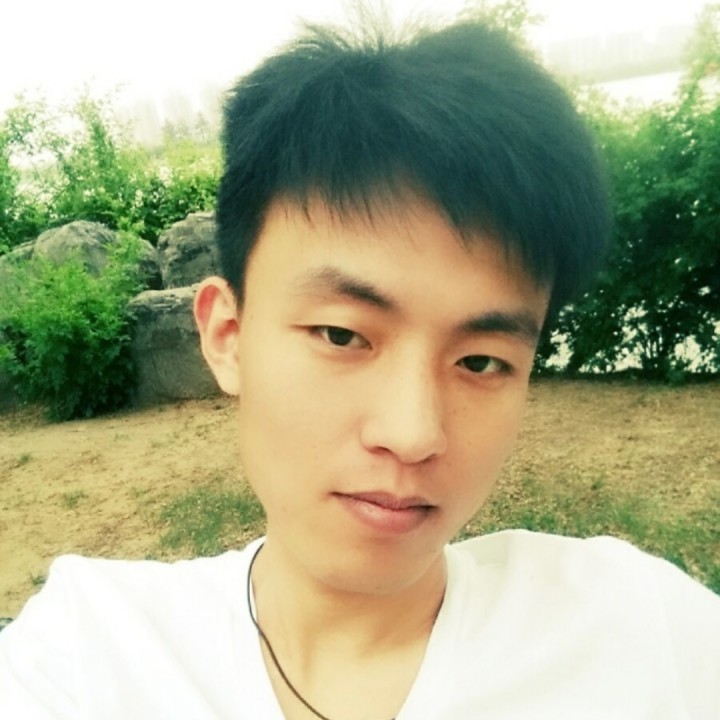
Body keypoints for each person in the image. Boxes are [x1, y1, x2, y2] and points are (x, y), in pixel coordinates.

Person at [2, 10, 719, 720]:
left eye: (480, 360)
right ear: (228, 336)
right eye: (343, 336)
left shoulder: (645, 636)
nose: (413, 434)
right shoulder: (88, 659)